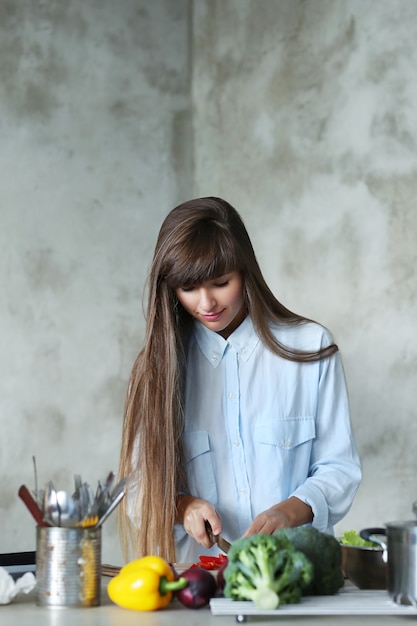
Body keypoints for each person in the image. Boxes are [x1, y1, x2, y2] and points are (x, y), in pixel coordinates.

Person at [118, 196, 361, 564]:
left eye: (220, 282)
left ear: (246, 271)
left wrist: (291, 511)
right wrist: (183, 506)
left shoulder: (311, 347)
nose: (206, 303)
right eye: (188, 289)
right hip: (198, 583)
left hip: (295, 578)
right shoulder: (158, 369)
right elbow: (137, 486)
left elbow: (339, 468)